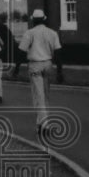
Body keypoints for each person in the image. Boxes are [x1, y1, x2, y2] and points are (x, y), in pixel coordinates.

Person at [18, 9, 64, 139]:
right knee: (45, 95)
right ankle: (40, 124)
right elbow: (58, 53)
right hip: (48, 64)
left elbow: (21, 51)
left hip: (35, 65)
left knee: (38, 96)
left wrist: (16, 68)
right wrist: (60, 71)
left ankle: (45, 125)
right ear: (44, 19)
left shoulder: (29, 33)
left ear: (33, 20)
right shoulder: (52, 33)